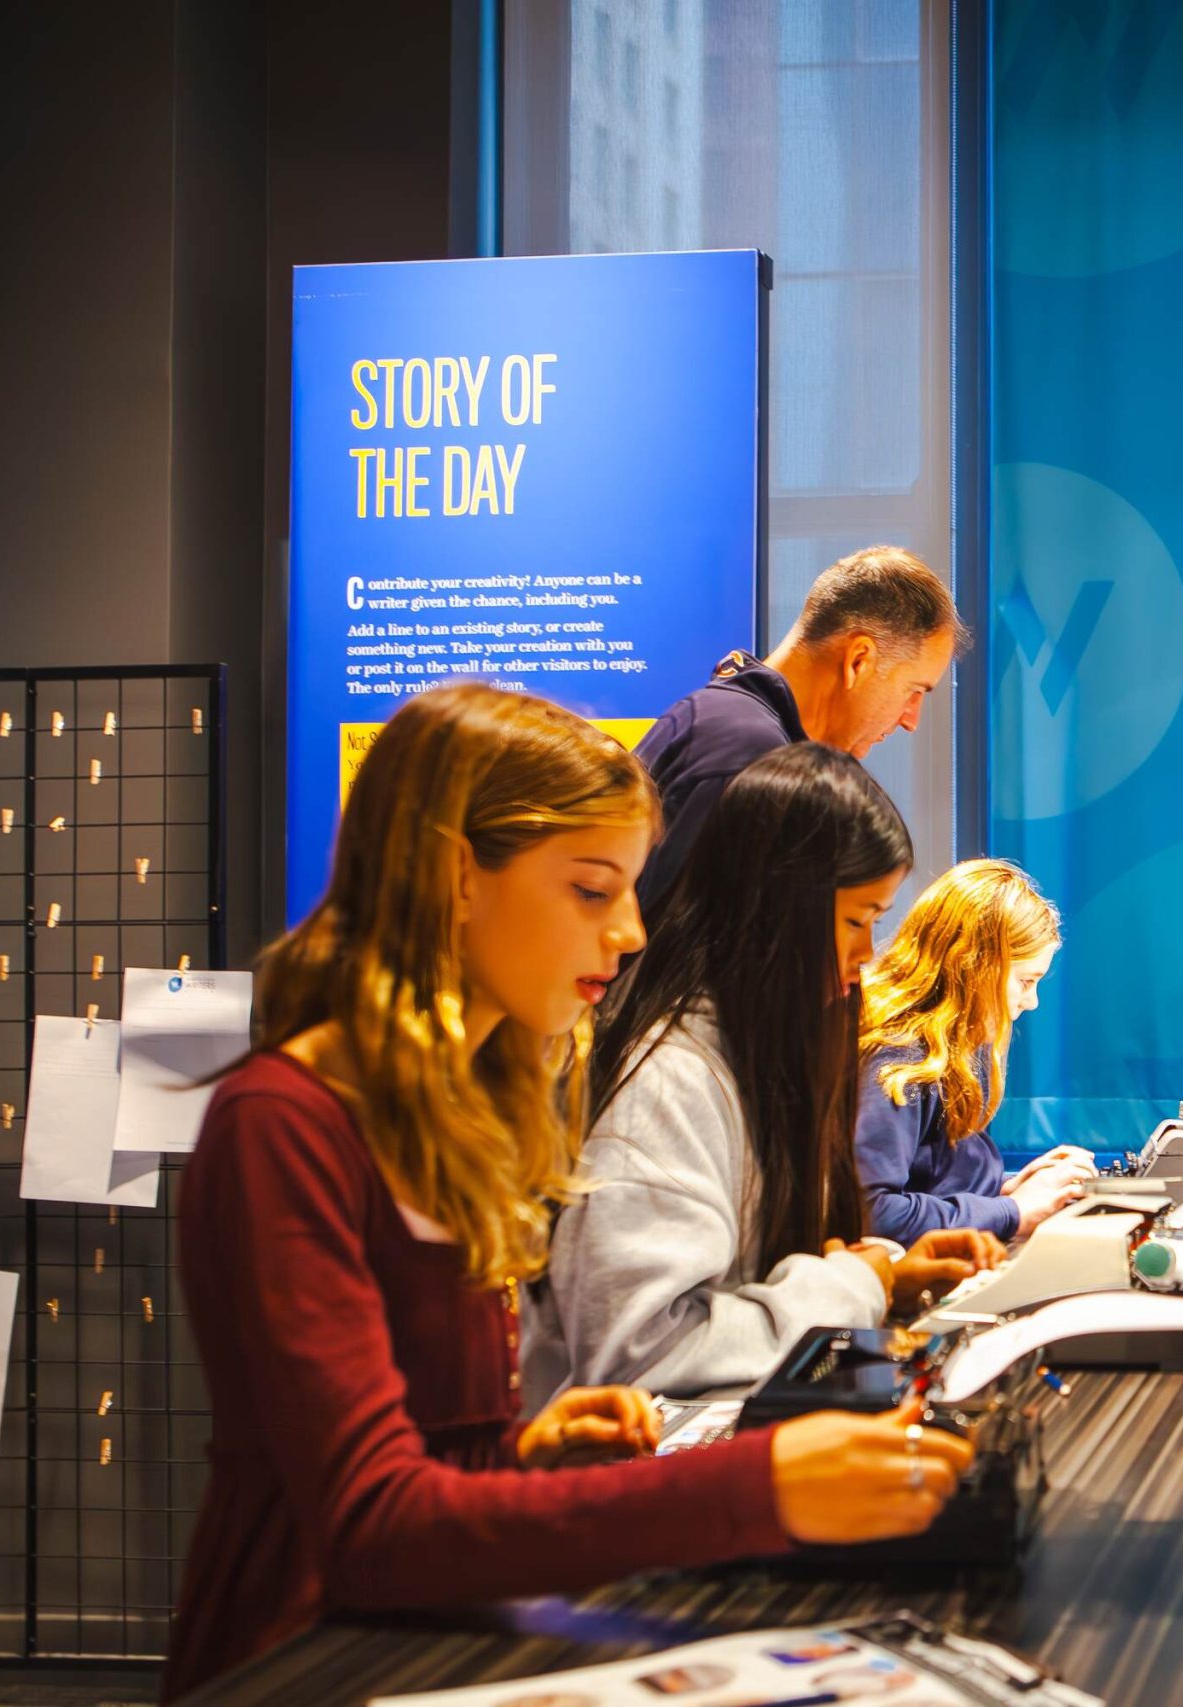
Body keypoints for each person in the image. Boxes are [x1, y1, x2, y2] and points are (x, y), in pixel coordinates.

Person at [166, 684, 967, 1702]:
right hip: (305, 1661)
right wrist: (754, 1487)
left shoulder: (467, 1113)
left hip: (438, 1650)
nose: (631, 932)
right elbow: (372, 1528)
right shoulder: (284, 1125)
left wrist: (525, 1453)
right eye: (591, 891)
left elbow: (425, 1460)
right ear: (458, 877)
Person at [527, 743, 1002, 1399]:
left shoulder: (750, 1050)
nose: (865, 955)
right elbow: (639, 1355)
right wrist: (856, 1286)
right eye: (856, 920)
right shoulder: (668, 1082)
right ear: (781, 909)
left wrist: (886, 1280)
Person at [633, 544, 966, 911]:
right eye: (914, 691)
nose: (911, 720)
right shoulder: (747, 761)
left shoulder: (729, 727)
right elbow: (682, 957)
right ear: (859, 660)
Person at [856, 860, 1098, 1243]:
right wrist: (1012, 1211)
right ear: (974, 967)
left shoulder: (954, 1050)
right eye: (1025, 981)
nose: (1031, 1001)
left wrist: (1011, 1189)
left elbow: (930, 1183)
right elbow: (872, 1213)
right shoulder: (899, 1061)